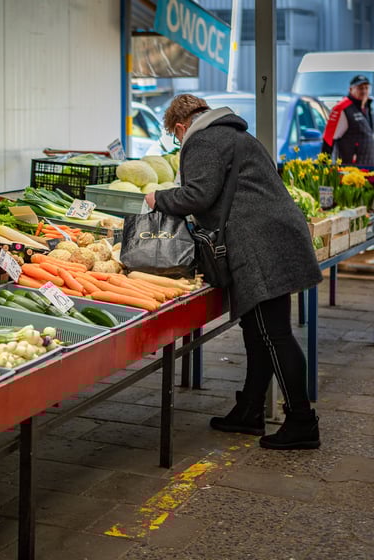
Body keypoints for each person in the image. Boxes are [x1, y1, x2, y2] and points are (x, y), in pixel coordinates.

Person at [145, 94, 323, 450]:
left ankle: (302, 422)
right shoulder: (236, 133)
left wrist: (157, 199)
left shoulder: (203, 139)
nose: (182, 143)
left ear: (181, 127)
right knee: (258, 332)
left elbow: (197, 196)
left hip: (260, 245)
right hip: (274, 237)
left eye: (178, 138)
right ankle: (249, 411)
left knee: (274, 334)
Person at [321, 74, 373, 166]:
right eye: (360, 88)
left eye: (366, 88)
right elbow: (328, 138)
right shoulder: (342, 108)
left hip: (368, 166)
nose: (364, 91)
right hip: (350, 168)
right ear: (351, 90)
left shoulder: (367, 107)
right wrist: (324, 165)